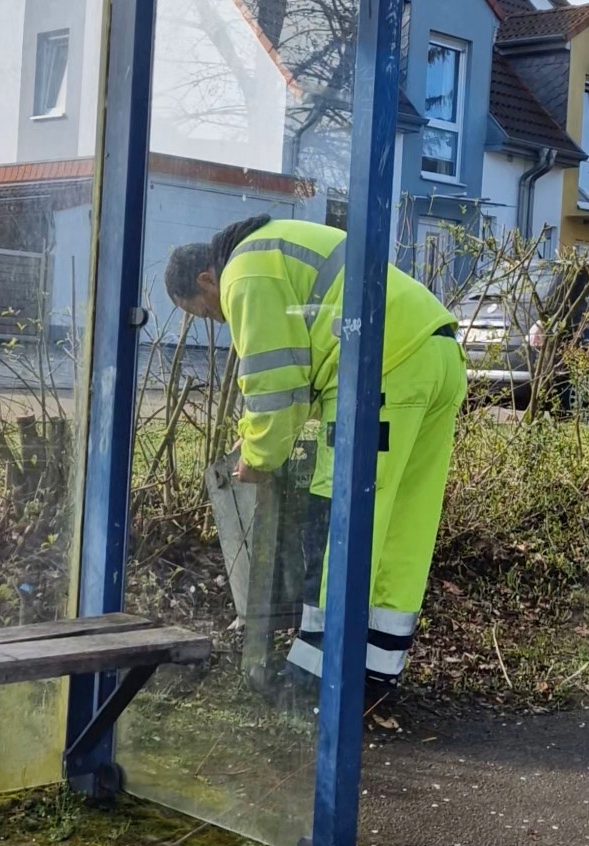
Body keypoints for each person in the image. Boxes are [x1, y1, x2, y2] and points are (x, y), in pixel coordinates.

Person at [165, 213, 466, 694]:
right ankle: (376, 674)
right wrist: (255, 433)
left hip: (381, 372)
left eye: (205, 310)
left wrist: (258, 458)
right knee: (402, 526)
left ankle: (313, 681)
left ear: (207, 278)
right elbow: (300, 372)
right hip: (436, 355)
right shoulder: (274, 247)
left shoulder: (244, 271)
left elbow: (275, 385)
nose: (217, 320)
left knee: (336, 521)